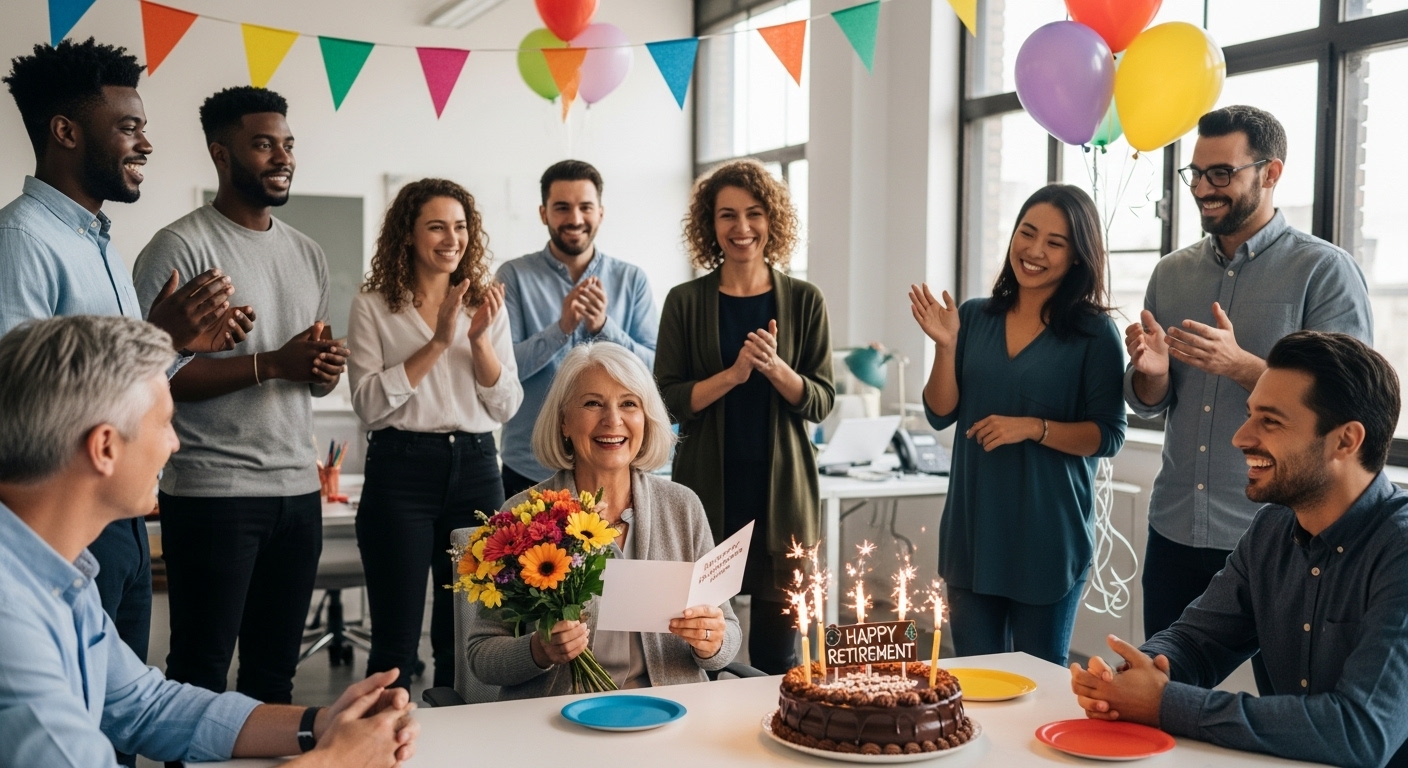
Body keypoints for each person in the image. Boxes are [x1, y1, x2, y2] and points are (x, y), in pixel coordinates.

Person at [0, 315, 418, 768]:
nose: (175, 444)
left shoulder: (59, 573)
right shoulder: (11, 622)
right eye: (165, 423)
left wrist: (321, 724)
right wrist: (336, 761)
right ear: (104, 447)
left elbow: (147, 705)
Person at [0, 41, 252, 762]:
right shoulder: (23, 239)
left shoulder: (101, 241)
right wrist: (163, 336)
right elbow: (24, 401)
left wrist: (182, 342)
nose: (146, 140)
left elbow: (124, 381)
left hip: (119, 516)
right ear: (65, 132)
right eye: (129, 125)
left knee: (125, 714)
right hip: (63, 516)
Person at [1071, 331, 1408, 768]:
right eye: (1250, 415)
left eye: (1269, 421)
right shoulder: (1272, 527)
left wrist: (1165, 703)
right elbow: (1197, 641)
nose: (1241, 437)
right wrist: (1141, 674)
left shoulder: (1398, 549)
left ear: (1345, 441)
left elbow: (1360, 731)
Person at [1124, 106, 1372, 671]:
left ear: (1271, 172)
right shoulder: (1171, 274)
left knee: (1291, 709)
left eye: (1221, 174)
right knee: (1158, 693)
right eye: (1195, 174)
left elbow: (1350, 407)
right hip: (1176, 527)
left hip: (1283, 536)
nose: (1204, 190)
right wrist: (1153, 374)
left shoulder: (1324, 271)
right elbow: (1149, 405)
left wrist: (1242, 366)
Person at [132, 86, 347, 704]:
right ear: (220, 154)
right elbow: (149, 375)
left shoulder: (307, 252)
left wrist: (320, 368)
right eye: (263, 144)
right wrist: (272, 364)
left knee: (274, 676)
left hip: (298, 494)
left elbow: (308, 373)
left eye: (287, 144)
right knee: (198, 670)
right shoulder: (180, 248)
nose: (281, 157)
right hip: (213, 495)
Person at [912, 184, 1126, 666]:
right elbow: (939, 412)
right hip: (973, 532)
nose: (1034, 250)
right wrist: (945, 347)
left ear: (1077, 256)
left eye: (1055, 242)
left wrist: (1034, 427)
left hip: (1047, 535)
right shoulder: (972, 316)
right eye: (1027, 233)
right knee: (976, 680)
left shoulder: (1095, 332)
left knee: (1039, 684)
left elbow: (1109, 435)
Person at [464, 342, 741, 698]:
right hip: (560, 718)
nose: (613, 420)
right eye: (593, 403)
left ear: (646, 419)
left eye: (629, 403)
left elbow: (728, 635)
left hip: (669, 710)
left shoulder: (682, 506)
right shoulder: (523, 516)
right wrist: (538, 649)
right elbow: (481, 655)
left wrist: (711, 641)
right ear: (564, 420)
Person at [655, 159, 834, 675]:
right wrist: (733, 375)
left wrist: (776, 368)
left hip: (784, 498)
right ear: (709, 225)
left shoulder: (804, 300)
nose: (742, 228)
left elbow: (821, 399)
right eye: (727, 215)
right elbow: (665, 400)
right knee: (705, 643)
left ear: (771, 222)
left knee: (778, 652)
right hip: (710, 495)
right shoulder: (684, 302)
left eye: (754, 214)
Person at [348, 178, 522, 691]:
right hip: (400, 469)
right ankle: (384, 745)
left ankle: (460, 743)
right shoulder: (375, 305)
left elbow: (506, 404)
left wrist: (478, 341)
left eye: (461, 226)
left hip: (475, 467)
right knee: (396, 638)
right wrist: (440, 341)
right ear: (408, 235)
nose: (452, 238)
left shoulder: (484, 306)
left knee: (469, 629)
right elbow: (369, 405)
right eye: (437, 227)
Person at [496, 160, 658, 498]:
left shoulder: (632, 280)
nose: (574, 219)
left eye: (585, 207)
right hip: (530, 465)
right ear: (543, 213)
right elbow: (501, 370)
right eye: (561, 208)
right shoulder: (513, 276)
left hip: (614, 468)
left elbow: (655, 368)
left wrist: (604, 327)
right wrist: (562, 329)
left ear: (600, 212)